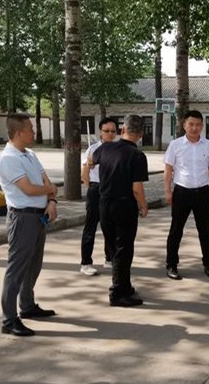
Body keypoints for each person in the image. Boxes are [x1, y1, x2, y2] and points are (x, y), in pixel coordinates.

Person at [0, 114, 59, 337]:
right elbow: (30, 189)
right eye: (30, 129)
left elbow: (44, 180)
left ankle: (27, 305)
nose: (34, 132)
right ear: (18, 132)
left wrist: (51, 201)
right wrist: (50, 190)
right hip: (22, 218)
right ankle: (9, 319)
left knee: (34, 265)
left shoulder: (30, 154)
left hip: (38, 216)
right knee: (16, 270)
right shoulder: (8, 158)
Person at [90, 114, 149, 307]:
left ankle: (124, 285)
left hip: (104, 204)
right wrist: (143, 205)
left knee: (115, 248)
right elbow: (136, 188)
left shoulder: (105, 148)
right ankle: (117, 292)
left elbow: (91, 160)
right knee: (124, 249)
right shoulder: (137, 156)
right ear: (140, 134)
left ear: (122, 129)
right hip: (124, 206)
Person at [163, 110, 209, 280]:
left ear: (202, 126)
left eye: (198, 125)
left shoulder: (208, 145)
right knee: (176, 230)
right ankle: (171, 264)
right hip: (181, 192)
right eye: (191, 124)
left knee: (205, 231)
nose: (194, 128)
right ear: (184, 125)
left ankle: (208, 264)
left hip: (202, 192)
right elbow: (168, 169)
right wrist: (168, 190)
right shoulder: (175, 145)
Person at [79, 117, 118, 276]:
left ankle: (110, 258)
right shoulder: (93, 149)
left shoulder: (118, 149)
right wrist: (90, 186)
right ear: (100, 132)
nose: (110, 134)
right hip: (96, 189)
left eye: (113, 131)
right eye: (106, 131)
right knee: (91, 226)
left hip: (113, 190)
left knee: (111, 226)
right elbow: (85, 172)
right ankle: (86, 263)